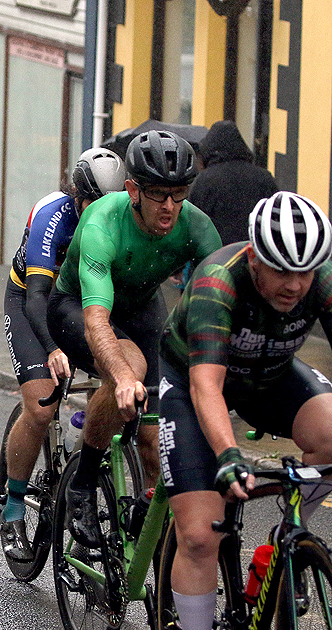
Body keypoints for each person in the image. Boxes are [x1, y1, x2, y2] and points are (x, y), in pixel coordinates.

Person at [159, 191, 332, 630]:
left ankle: (287, 538)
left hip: (270, 376)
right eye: (281, 270)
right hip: (193, 382)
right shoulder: (218, 281)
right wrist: (228, 455)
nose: (295, 285)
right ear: (254, 258)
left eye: (305, 271)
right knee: (200, 536)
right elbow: (206, 385)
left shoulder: (323, 280)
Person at [47, 130, 222, 548]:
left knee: (155, 438)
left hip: (142, 308)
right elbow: (96, 320)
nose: (169, 206)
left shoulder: (197, 226)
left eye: (178, 194)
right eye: (158, 194)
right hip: (77, 306)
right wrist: (123, 378)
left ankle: (147, 532)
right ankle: (82, 485)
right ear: (132, 190)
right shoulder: (102, 224)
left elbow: (221, 304)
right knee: (131, 370)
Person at [0, 147, 126, 562]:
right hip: (31, 300)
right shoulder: (52, 216)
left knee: (117, 377)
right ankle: (13, 507)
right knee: (40, 407)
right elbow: (37, 297)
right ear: (77, 197)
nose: (103, 213)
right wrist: (53, 348)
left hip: (82, 304)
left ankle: (85, 464)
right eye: (94, 204)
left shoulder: (123, 219)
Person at [188, 120, 278, 245]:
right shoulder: (264, 178)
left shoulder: (205, 181)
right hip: (255, 249)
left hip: (218, 252)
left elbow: (193, 223)